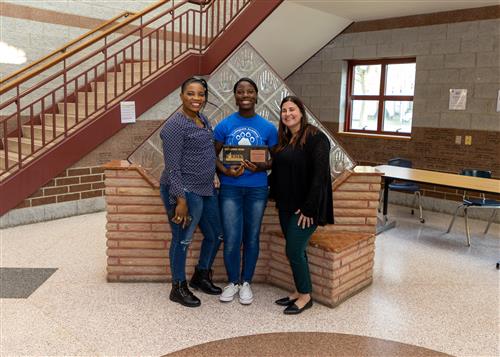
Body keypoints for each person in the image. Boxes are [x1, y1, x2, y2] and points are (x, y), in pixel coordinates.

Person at [213, 78, 278, 305]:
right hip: (230, 189)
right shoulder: (224, 125)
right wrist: (226, 172)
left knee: (251, 237)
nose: (245, 95)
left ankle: (246, 282)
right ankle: (233, 282)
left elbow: (276, 159)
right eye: (240, 92)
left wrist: (262, 166)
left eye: (250, 91)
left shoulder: (269, 128)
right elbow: (213, 156)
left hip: (257, 189)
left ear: (256, 95)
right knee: (231, 237)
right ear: (235, 96)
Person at [159, 77, 223, 308]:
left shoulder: (201, 119)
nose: (196, 98)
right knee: (182, 240)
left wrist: (213, 173)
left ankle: (200, 275)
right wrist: (181, 200)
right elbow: (172, 167)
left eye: (201, 94)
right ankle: (178, 287)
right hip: (184, 189)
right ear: (181, 96)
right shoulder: (175, 126)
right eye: (191, 93)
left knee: (215, 234)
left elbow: (206, 151)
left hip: (205, 187)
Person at [270, 95, 334, 315]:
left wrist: (309, 208)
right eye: (284, 110)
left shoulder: (316, 137)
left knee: (294, 249)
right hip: (286, 206)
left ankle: (306, 296)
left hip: (306, 209)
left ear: (301, 111)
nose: (287, 114)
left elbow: (320, 176)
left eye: (291, 109)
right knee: (297, 251)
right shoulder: (286, 139)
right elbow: (279, 173)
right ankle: (299, 291)